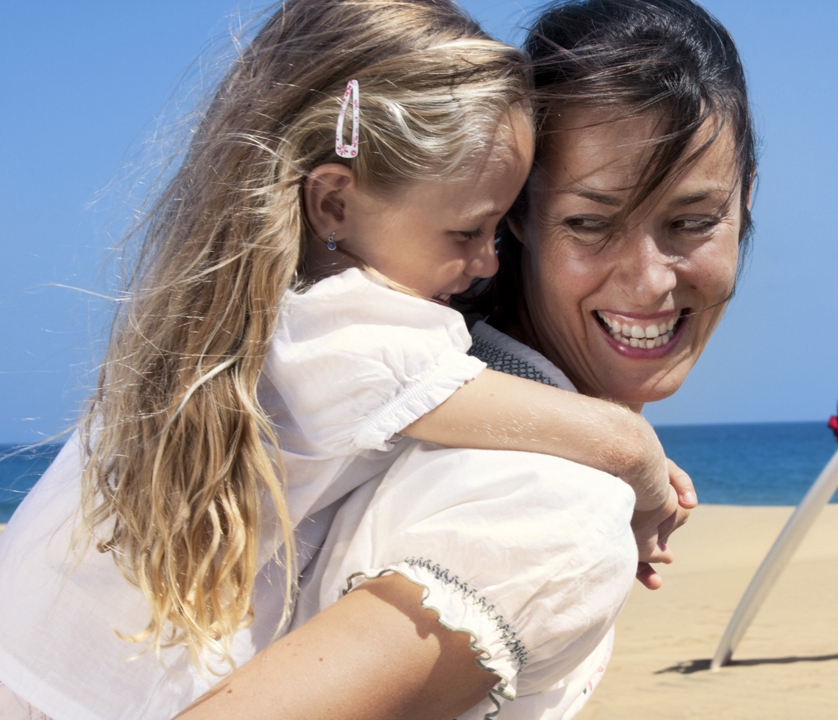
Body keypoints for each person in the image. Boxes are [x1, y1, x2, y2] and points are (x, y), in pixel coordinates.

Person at [0, 2, 693, 718]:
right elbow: (571, 428)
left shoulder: (257, 321)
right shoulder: (345, 326)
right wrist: (639, 460)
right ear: (333, 204)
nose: (489, 262)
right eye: (468, 230)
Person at [177, 0, 757, 718]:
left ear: (746, 200)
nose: (650, 280)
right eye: (589, 222)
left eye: (693, 222)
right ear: (515, 211)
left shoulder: (394, 371)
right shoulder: (550, 504)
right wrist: (624, 450)